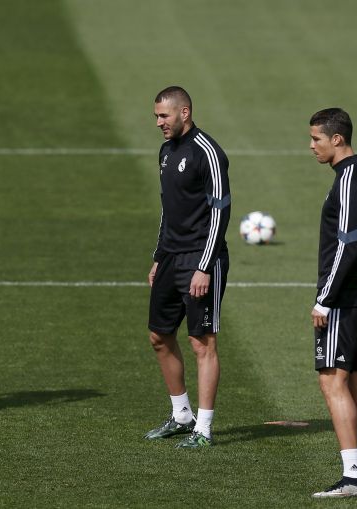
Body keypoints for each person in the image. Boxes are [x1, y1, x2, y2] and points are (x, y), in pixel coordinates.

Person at [144, 86, 230, 448]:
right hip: (172, 257)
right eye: (156, 117)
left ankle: (204, 429)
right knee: (159, 337)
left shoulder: (208, 152)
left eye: (164, 116)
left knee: (201, 343)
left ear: (185, 112)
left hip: (201, 258)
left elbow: (220, 210)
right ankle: (181, 415)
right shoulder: (166, 151)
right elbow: (169, 208)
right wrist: (158, 256)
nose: (159, 123)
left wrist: (204, 266)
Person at [307, 108, 357, 497]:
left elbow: (348, 246)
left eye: (316, 139)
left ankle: (353, 476)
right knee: (356, 384)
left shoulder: (351, 182)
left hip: (344, 300)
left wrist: (324, 300)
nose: (312, 146)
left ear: (338, 139)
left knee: (332, 382)